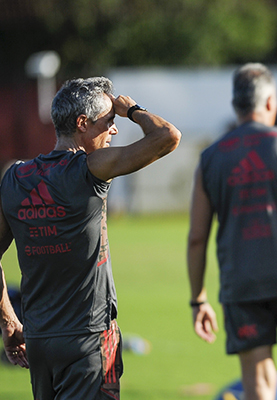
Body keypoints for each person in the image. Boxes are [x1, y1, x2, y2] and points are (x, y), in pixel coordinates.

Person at [0, 77, 181, 398]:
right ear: (83, 123)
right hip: (89, 338)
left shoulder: (14, 178)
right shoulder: (91, 168)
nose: (114, 130)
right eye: (109, 122)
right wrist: (133, 110)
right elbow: (168, 136)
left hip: (40, 340)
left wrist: (10, 323)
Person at [187, 63, 277, 400]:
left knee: (257, 380)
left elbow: (197, 238)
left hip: (241, 283)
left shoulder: (209, 159)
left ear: (236, 106)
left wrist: (197, 298)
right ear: (270, 102)